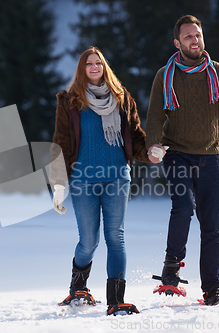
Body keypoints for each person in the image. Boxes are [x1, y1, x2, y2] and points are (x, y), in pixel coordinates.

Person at [145, 15, 219, 305]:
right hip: (177, 152)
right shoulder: (164, 76)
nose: (195, 40)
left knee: (212, 225)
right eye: (189, 36)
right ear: (177, 42)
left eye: (198, 35)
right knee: (183, 207)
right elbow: (154, 115)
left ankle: (212, 290)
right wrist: (153, 143)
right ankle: (171, 271)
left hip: (212, 156)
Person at [50, 46, 150, 315]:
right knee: (89, 241)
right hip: (83, 180)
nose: (95, 67)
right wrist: (59, 184)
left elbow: (136, 137)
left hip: (117, 176)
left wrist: (150, 152)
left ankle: (116, 301)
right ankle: (78, 288)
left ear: (105, 66)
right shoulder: (70, 101)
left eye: (99, 63)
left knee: (115, 237)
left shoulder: (121, 98)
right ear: (82, 69)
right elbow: (60, 144)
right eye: (89, 63)